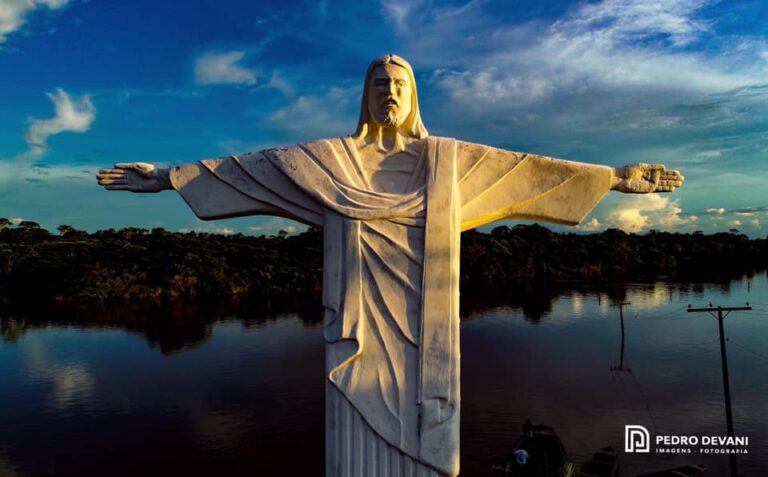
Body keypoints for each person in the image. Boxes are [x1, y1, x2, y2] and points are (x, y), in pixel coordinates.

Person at [97, 54, 683, 477]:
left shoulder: (449, 162)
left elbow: (527, 172)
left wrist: (612, 178)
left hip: (428, 333)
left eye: (400, 84)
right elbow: (251, 171)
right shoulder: (328, 163)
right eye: (380, 84)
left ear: (414, 97)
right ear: (366, 95)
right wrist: (169, 177)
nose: (390, 93)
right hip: (358, 324)